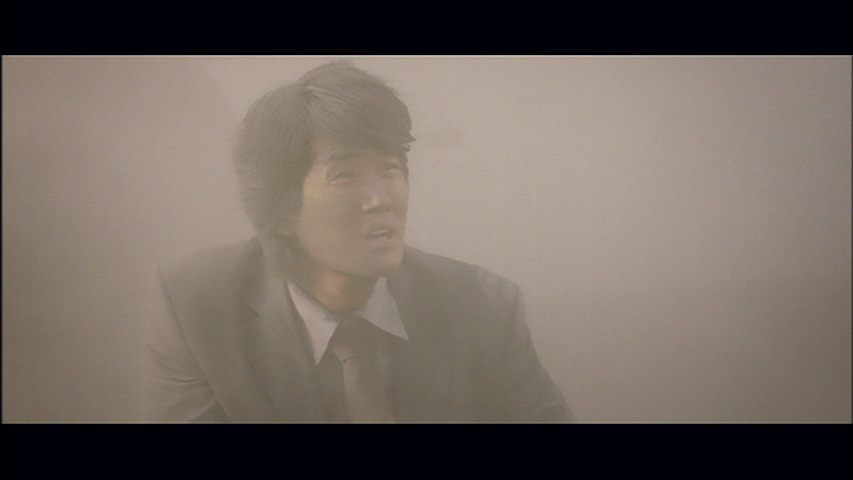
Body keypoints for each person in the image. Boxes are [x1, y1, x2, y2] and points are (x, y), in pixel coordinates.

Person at [141, 60, 570, 422]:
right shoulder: (199, 306)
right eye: (344, 175)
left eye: (390, 168)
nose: (380, 199)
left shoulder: (483, 305)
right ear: (281, 205)